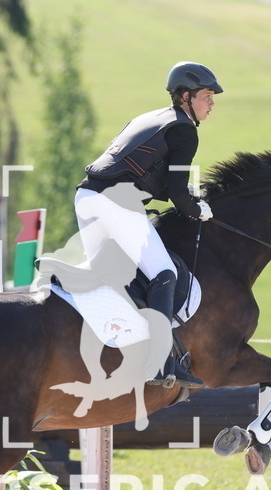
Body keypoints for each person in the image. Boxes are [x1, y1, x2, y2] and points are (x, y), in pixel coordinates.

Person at [74, 61, 222, 389]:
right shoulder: (183, 129)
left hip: (87, 199)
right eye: (207, 96)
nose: (212, 104)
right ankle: (159, 362)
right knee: (163, 273)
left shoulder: (150, 118)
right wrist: (198, 210)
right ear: (186, 96)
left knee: (115, 275)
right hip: (116, 204)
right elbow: (175, 190)